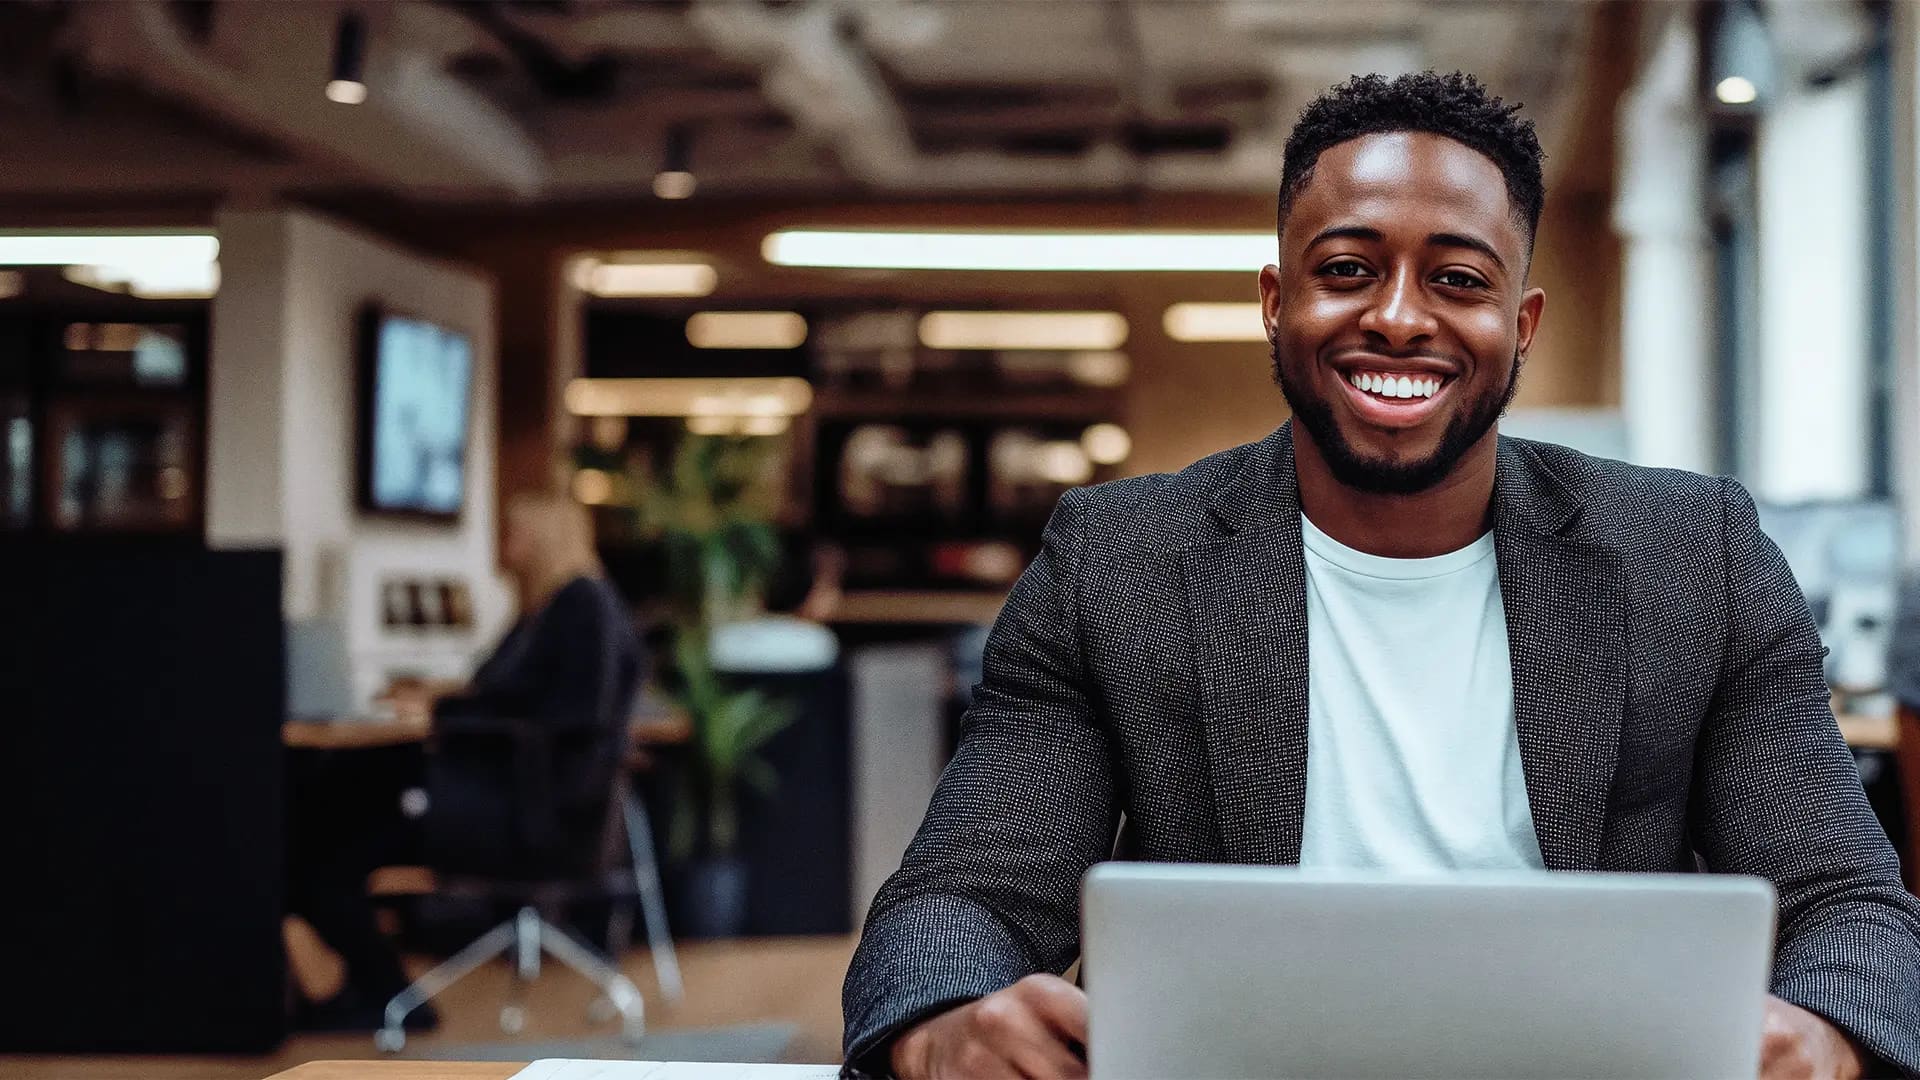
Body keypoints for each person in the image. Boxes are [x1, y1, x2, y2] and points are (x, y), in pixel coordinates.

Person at [842, 72, 1920, 1080]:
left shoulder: (1694, 558)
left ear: (1521, 323)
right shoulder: (1118, 564)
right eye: (1348, 270)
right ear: (1276, 301)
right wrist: (946, 1025)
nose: (1400, 316)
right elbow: (958, 902)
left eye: (1457, 279)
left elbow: (1855, 909)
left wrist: (1822, 1031)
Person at [287, 491, 643, 1030]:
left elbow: (561, 719)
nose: (503, 546)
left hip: (525, 816)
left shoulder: (579, 607)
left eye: (514, 533)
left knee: (325, 851)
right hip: (521, 805)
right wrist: (443, 700)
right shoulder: (548, 609)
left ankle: (385, 998)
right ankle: (374, 995)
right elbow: (510, 695)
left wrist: (443, 715)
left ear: (545, 539)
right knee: (331, 833)